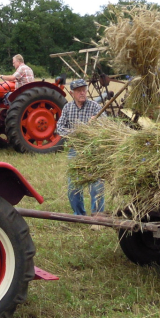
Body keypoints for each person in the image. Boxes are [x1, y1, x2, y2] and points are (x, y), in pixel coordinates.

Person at [55, 79, 104, 223]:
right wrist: (76, 133)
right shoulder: (67, 108)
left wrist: (98, 121)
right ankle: (79, 215)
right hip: (75, 150)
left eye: (84, 90)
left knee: (96, 184)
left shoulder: (95, 107)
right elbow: (59, 127)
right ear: (72, 93)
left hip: (93, 150)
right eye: (78, 91)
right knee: (73, 186)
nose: (82, 93)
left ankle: (98, 217)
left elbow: (106, 124)